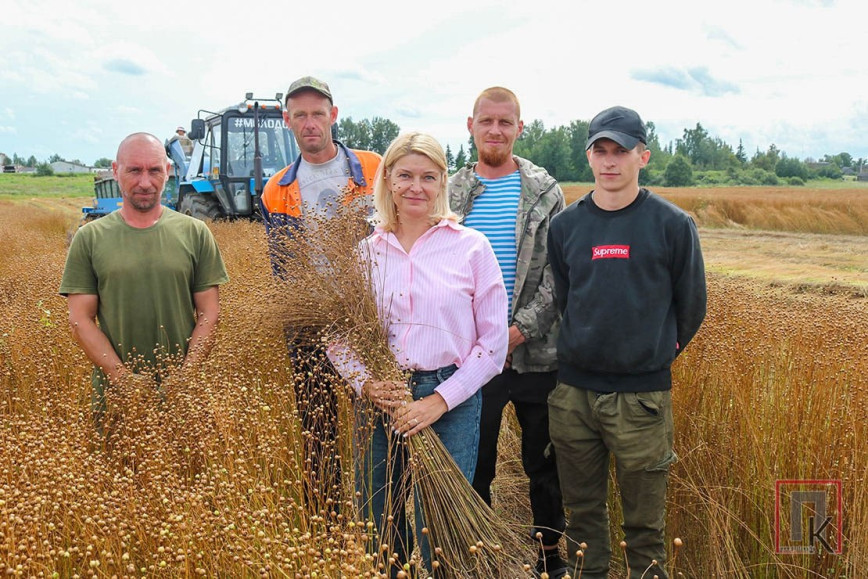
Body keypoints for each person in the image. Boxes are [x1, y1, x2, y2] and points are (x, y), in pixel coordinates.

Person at [328, 131, 509, 577]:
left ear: (443, 182)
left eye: (428, 177)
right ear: (387, 179)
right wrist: (366, 383)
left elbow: (493, 344)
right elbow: (337, 336)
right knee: (377, 520)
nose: (416, 187)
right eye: (405, 175)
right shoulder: (365, 254)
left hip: (448, 398)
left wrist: (439, 400)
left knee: (441, 526)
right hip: (381, 398)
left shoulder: (471, 247)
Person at [546, 106, 707, 579]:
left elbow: (691, 306)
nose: (610, 161)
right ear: (590, 157)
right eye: (601, 150)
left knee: (644, 529)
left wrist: (649, 356)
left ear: (644, 156)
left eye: (622, 151)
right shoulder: (566, 226)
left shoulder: (673, 225)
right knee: (582, 521)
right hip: (573, 397)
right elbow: (563, 297)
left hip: (642, 401)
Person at [449, 86, 567, 577]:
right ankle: (476, 555)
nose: (495, 130)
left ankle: (550, 559)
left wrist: (517, 331)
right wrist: (482, 341)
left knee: (545, 464)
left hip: (536, 355)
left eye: (505, 122)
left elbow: (559, 275)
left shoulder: (545, 190)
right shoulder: (448, 190)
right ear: (470, 125)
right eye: (486, 121)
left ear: (520, 128)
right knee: (476, 462)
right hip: (472, 358)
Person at [259, 75, 382, 515]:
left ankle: (378, 513)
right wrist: (305, 310)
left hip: (371, 318)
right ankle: (327, 522)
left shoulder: (373, 167)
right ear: (287, 121)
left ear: (333, 115)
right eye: (299, 115)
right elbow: (284, 267)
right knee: (317, 425)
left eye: (317, 113)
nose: (310, 123)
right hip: (309, 323)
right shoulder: (276, 189)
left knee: (377, 420)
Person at [60, 132, 229, 423]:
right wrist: (122, 379)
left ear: (168, 171)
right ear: (115, 171)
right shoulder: (90, 238)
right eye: (134, 170)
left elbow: (209, 313)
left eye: (154, 170)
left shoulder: (195, 232)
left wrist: (185, 377)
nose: (145, 182)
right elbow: (80, 319)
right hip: (114, 399)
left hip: (183, 399)